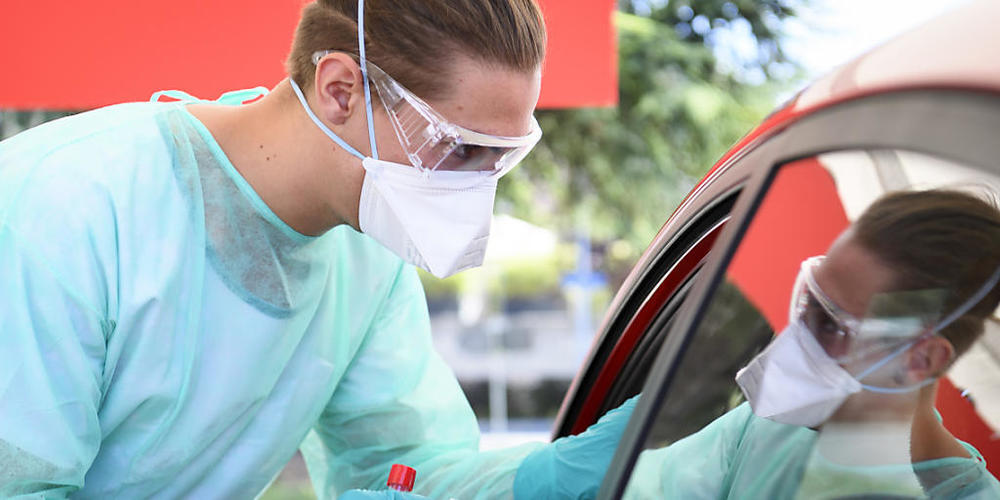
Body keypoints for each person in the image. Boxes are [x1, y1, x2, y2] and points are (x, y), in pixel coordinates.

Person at [0, 1, 631, 498]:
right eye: (458, 146)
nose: (476, 186)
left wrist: (539, 481)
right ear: (340, 89)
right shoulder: (59, 207)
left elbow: (404, 472)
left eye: (500, 158)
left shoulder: (366, 257)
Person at [624, 189, 1000, 499]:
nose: (797, 338)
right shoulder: (771, 430)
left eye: (831, 325)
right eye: (808, 300)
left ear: (920, 359)